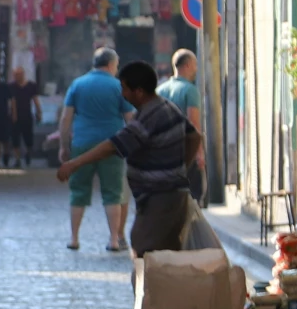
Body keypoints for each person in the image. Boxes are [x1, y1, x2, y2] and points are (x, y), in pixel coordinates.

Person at [55, 60, 202, 255]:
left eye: (125, 89)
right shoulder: (166, 107)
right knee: (162, 252)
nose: (122, 94)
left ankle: (157, 285)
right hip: (167, 194)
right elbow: (194, 136)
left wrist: (74, 163)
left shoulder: (148, 116)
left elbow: (114, 145)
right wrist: (181, 168)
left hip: (160, 196)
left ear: (139, 91)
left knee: (145, 248)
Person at [56, 47, 131, 251]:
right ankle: (114, 240)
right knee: (113, 193)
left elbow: (66, 119)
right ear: (110, 64)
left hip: (81, 145)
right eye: (116, 65)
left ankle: (74, 238)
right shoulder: (119, 86)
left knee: (78, 191)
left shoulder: (77, 85)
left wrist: (64, 146)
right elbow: (131, 119)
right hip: (112, 146)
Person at [158, 48, 204, 193]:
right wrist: (199, 153)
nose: (196, 69)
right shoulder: (190, 90)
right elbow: (193, 124)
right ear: (188, 65)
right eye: (195, 64)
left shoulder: (159, 90)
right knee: (191, 194)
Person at [7, 67, 40, 169]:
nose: (17, 77)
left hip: (27, 115)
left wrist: (39, 111)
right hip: (15, 116)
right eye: (15, 75)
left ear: (23, 74)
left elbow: (35, 99)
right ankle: (17, 159)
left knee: (28, 137)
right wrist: (13, 114)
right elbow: (12, 101)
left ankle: (28, 153)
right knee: (15, 138)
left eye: (19, 74)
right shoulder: (11, 86)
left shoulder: (30, 86)